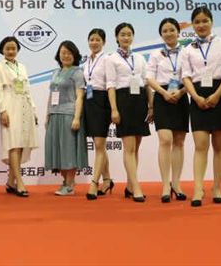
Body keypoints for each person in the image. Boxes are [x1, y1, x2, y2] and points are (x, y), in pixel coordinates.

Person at [182, 7, 221, 207]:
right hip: (197, 96)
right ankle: (198, 188)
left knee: (219, 146)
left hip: (219, 94)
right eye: (197, 22)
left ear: (212, 22)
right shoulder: (187, 48)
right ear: (192, 25)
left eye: (205, 21)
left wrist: (217, 95)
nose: (201, 25)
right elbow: (186, 77)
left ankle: (217, 187)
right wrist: (195, 97)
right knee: (200, 145)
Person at [106, 23, 153, 202]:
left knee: (136, 147)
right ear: (117, 37)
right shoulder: (112, 59)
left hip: (140, 100)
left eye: (129, 34)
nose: (126, 37)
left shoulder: (139, 58)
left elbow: (146, 82)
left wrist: (151, 105)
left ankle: (129, 185)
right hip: (123, 101)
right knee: (129, 147)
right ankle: (137, 187)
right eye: (122, 34)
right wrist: (114, 109)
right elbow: (111, 85)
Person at [146, 18, 189, 203]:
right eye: (165, 31)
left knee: (179, 141)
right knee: (165, 140)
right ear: (161, 34)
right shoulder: (156, 54)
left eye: (172, 30)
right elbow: (149, 78)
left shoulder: (187, 52)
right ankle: (165, 185)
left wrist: (181, 92)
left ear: (178, 32)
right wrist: (163, 93)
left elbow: (192, 76)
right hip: (162, 97)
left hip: (181, 96)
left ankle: (176, 184)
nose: (169, 33)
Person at [0, 36, 38, 197]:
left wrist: (33, 110)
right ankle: (19, 182)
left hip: (24, 106)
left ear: (18, 49)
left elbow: (27, 89)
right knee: (13, 144)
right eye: (7, 48)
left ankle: (10, 182)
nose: (11, 51)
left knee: (20, 145)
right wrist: (2, 110)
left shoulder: (22, 67)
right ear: (2, 50)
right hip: (10, 106)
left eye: (13, 48)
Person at [44, 41, 88, 196]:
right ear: (58, 55)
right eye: (63, 52)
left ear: (75, 55)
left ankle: (69, 185)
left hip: (69, 115)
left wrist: (77, 117)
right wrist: (47, 115)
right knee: (57, 150)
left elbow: (80, 96)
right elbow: (51, 95)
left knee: (68, 150)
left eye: (69, 53)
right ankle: (67, 181)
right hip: (54, 115)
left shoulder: (77, 72)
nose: (66, 55)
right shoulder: (55, 72)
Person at [83, 28, 114, 200]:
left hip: (102, 101)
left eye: (97, 40)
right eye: (91, 39)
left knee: (100, 144)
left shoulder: (107, 59)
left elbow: (110, 84)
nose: (94, 42)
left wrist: (113, 108)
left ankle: (94, 183)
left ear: (104, 42)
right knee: (98, 144)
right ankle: (107, 180)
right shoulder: (87, 60)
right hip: (89, 101)